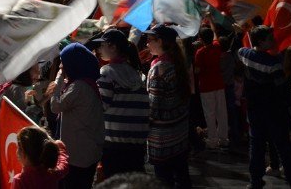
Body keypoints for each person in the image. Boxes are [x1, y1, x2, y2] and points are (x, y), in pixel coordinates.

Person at [239, 25, 291, 189]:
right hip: (274, 112)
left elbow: (239, 49)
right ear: (261, 42)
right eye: (270, 38)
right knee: (284, 149)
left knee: (257, 147)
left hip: (254, 111)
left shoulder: (244, 55)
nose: (274, 40)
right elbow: (283, 90)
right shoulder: (273, 64)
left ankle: (255, 181)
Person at [91, 28, 149, 178]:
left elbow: (100, 107)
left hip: (115, 145)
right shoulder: (136, 74)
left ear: (113, 47)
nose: (99, 49)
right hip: (137, 143)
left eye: (102, 45)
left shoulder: (107, 73)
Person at [49, 43, 104, 189]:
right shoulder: (85, 83)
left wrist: (58, 80)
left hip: (77, 156)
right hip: (86, 152)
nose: (61, 66)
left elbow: (55, 107)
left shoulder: (79, 87)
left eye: (63, 62)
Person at [143, 25, 191, 188]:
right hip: (180, 132)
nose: (147, 44)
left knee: (164, 180)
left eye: (150, 40)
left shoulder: (158, 68)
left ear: (161, 41)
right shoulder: (176, 62)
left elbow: (153, 106)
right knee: (182, 176)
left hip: (163, 137)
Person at [193, 22, 228, 149]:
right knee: (222, 112)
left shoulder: (200, 52)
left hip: (206, 86)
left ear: (201, 39)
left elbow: (197, 70)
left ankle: (212, 140)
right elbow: (215, 36)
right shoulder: (217, 46)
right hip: (219, 83)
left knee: (210, 113)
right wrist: (211, 20)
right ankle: (224, 139)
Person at [12, 125, 69, 189]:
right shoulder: (53, 172)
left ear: (25, 154)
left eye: (19, 148)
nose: (17, 151)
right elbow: (64, 165)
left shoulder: (20, 180)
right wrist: (60, 147)